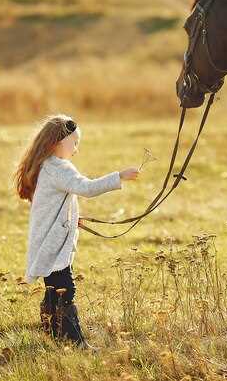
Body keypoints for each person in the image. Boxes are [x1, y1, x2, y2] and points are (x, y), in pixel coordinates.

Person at [14, 114, 139, 349]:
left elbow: (55, 205)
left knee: (54, 288)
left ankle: (53, 336)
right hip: (53, 242)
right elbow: (86, 188)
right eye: (74, 143)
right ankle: (75, 343)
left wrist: (72, 220)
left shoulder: (48, 166)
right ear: (55, 144)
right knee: (65, 289)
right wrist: (119, 176)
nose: (76, 149)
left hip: (51, 239)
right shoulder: (58, 168)